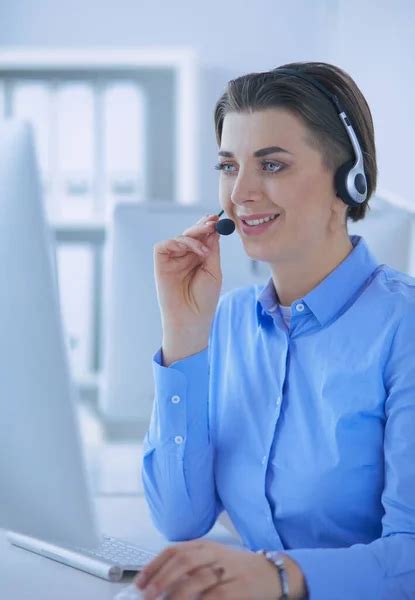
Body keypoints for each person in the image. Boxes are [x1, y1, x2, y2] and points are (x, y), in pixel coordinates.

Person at [135, 62, 415, 599]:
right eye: (227, 165)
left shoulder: (401, 329)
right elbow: (179, 519)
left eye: (272, 165)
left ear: (347, 179)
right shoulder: (229, 322)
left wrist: (282, 577)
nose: (239, 193)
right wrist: (184, 334)